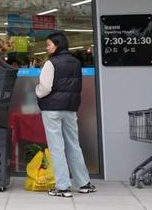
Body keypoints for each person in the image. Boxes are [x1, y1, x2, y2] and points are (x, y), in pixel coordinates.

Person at [36, 32, 96, 198]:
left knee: (56, 147)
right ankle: (84, 183)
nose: (47, 47)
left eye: (49, 44)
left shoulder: (51, 63)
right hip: (70, 108)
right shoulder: (76, 62)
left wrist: (37, 92)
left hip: (52, 109)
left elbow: (45, 88)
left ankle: (62, 187)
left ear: (57, 45)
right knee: (73, 145)